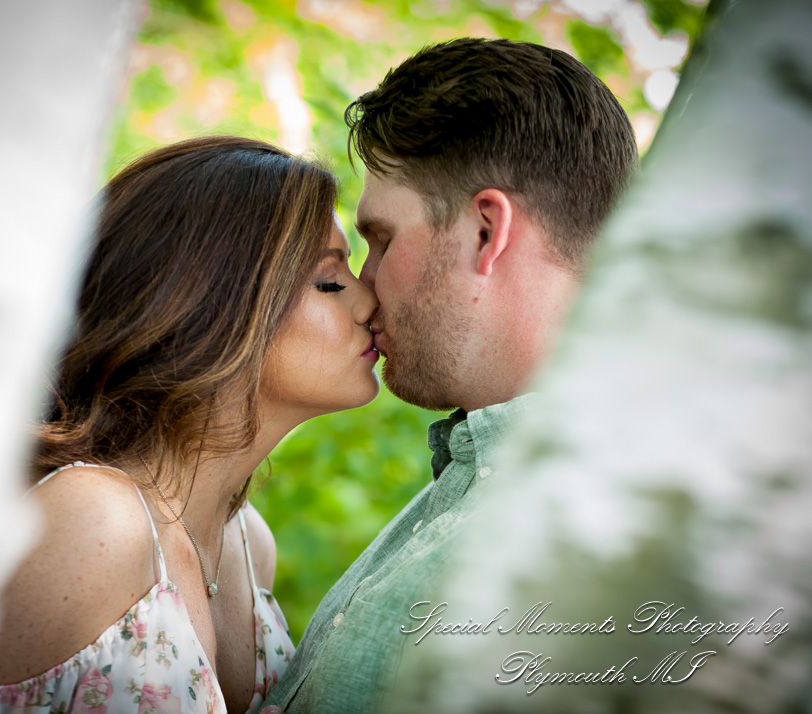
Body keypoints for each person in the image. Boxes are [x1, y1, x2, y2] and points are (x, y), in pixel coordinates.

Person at [262, 38, 638, 713]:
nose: (365, 285)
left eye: (382, 240)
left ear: (487, 232)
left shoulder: (610, 538)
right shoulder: (475, 480)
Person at [0, 136, 380, 714]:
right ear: (215, 304)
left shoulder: (247, 543)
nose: (369, 303)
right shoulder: (93, 520)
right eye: (330, 282)